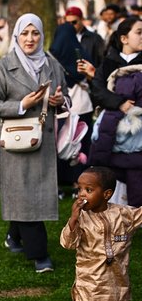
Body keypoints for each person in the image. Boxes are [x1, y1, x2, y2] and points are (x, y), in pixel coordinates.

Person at [0, 13, 68, 273]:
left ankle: (14, 236)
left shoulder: (52, 65)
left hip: (43, 141)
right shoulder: (3, 66)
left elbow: (64, 96)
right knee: (24, 196)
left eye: (35, 33)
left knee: (32, 194)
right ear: (16, 36)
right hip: (16, 142)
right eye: (25, 33)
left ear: (42, 35)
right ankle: (40, 255)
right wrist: (23, 104)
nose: (30, 39)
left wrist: (58, 101)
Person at [60, 166, 142, 301]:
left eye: (88, 190)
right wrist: (72, 219)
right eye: (79, 189)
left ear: (107, 194)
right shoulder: (81, 219)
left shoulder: (123, 214)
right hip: (90, 282)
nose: (81, 195)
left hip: (116, 280)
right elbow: (67, 243)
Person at [88, 17, 142, 206]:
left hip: (137, 133)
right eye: (139, 32)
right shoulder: (109, 61)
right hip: (111, 133)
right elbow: (97, 89)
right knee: (113, 180)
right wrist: (119, 103)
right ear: (124, 38)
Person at [49, 22, 94, 187]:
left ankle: (59, 181)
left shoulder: (50, 57)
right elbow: (91, 77)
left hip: (61, 108)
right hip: (82, 105)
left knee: (60, 144)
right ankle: (79, 181)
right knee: (80, 145)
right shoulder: (81, 55)